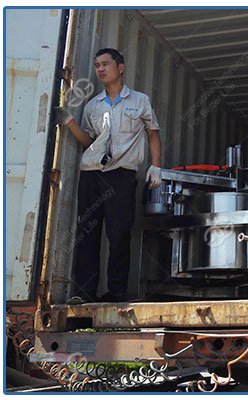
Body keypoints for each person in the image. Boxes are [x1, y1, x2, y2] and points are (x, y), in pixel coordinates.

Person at [56, 48, 162, 303]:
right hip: (92, 174)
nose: (100, 69)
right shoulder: (93, 105)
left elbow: (153, 133)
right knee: (88, 234)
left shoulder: (139, 101)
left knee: (119, 234)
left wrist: (156, 165)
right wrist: (70, 122)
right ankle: (84, 293)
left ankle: (116, 293)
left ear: (121, 68)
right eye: (97, 65)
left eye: (105, 64)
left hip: (122, 176)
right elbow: (88, 142)